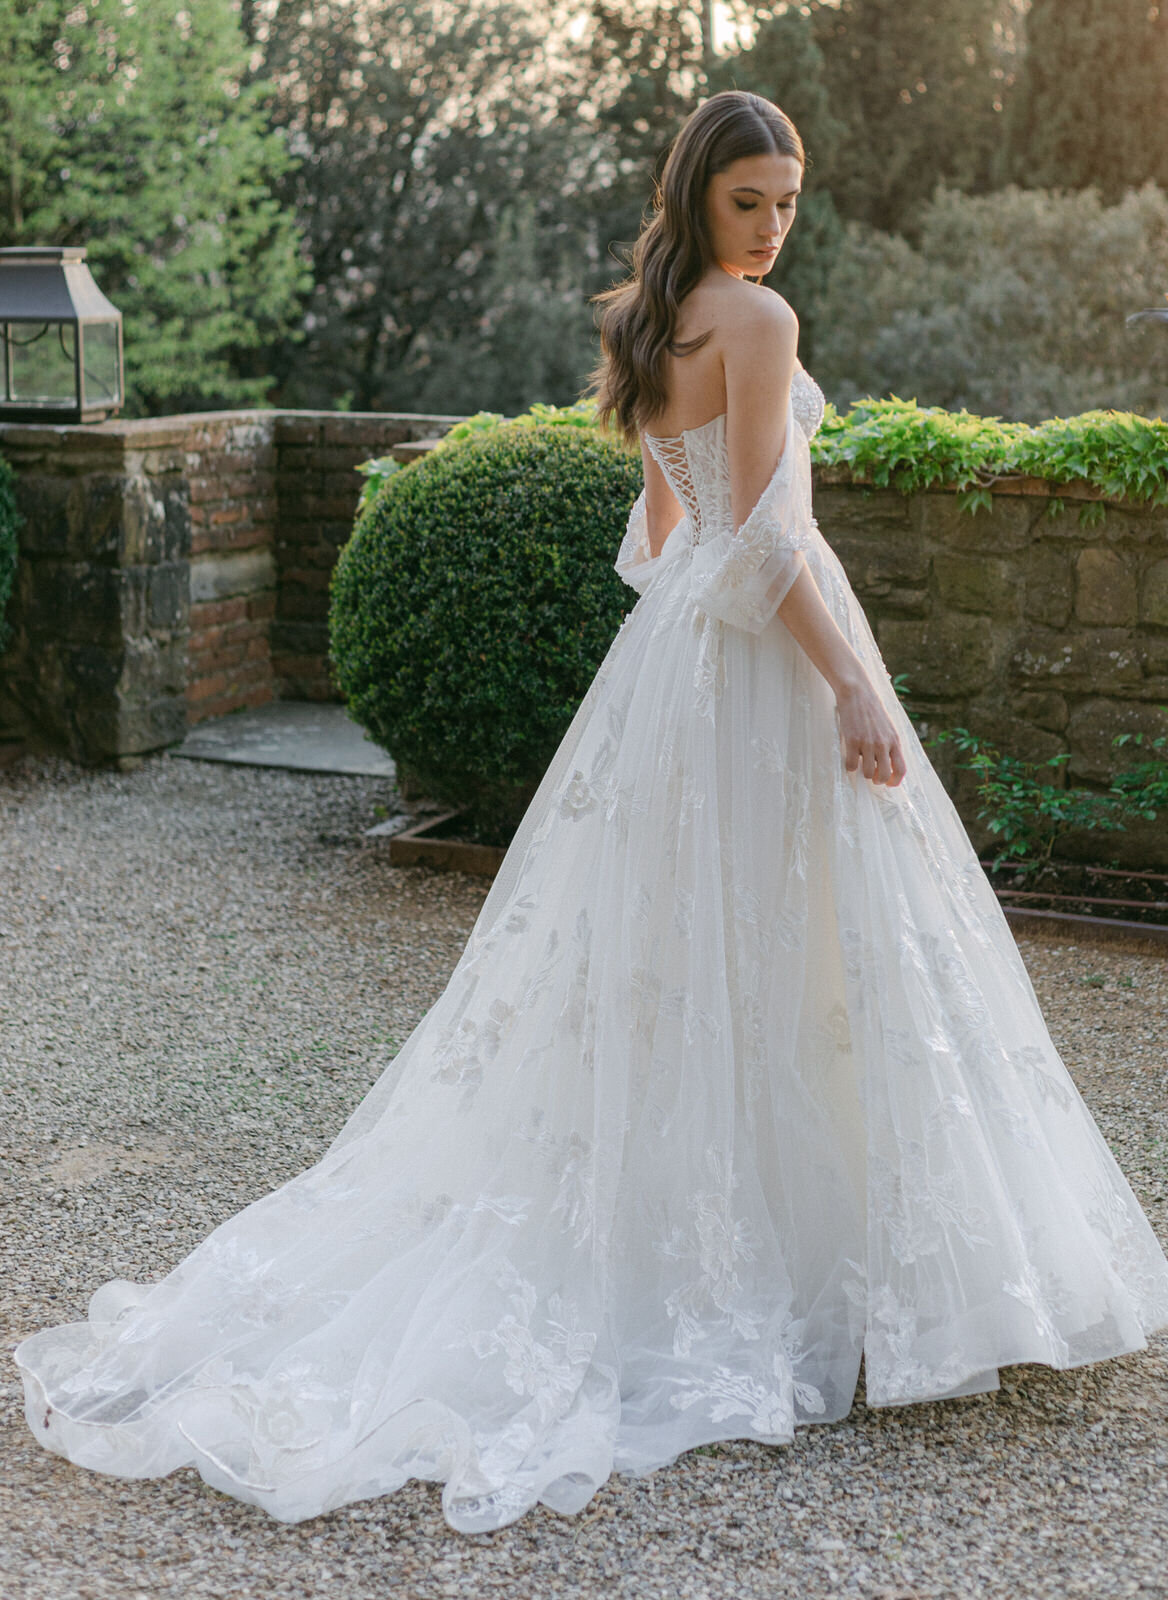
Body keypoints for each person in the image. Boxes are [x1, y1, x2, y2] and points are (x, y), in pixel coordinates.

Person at [13, 91, 1168, 1538]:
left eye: (790, 203)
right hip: (755, 653)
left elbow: (672, 536)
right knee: (792, 932)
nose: (774, 225)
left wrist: (690, 643)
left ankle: (783, 1243)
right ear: (699, 195)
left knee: (710, 943)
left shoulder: (651, 317)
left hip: (686, 657)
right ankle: (817, 1267)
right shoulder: (755, 323)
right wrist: (855, 688)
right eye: (751, 201)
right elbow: (763, 534)